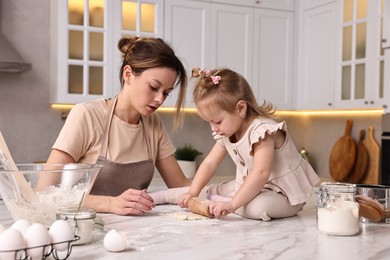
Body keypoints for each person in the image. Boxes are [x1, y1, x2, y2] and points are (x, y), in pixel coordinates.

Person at [44, 37, 191, 216]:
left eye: (166, 93)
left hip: (135, 234)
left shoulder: (153, 124)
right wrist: (110, 204)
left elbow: (181, 187)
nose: (160, 99)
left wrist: (228, 188)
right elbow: (44, 192)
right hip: (85, 231)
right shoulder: (87, 115)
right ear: (128, 74)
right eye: (154, 87)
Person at [151, 68, 320, 221]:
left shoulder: (262, 131)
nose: (213, 129)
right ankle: (159, 197)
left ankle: (226, 202)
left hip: (284, 196)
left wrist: (232, 205)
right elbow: (210, 163)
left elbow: (261, 173)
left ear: (240, 108)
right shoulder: (228, 131)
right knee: (207, 189)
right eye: (209, 123)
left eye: (217, 121)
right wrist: (192, 192)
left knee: (259, 208)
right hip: (252, 188)